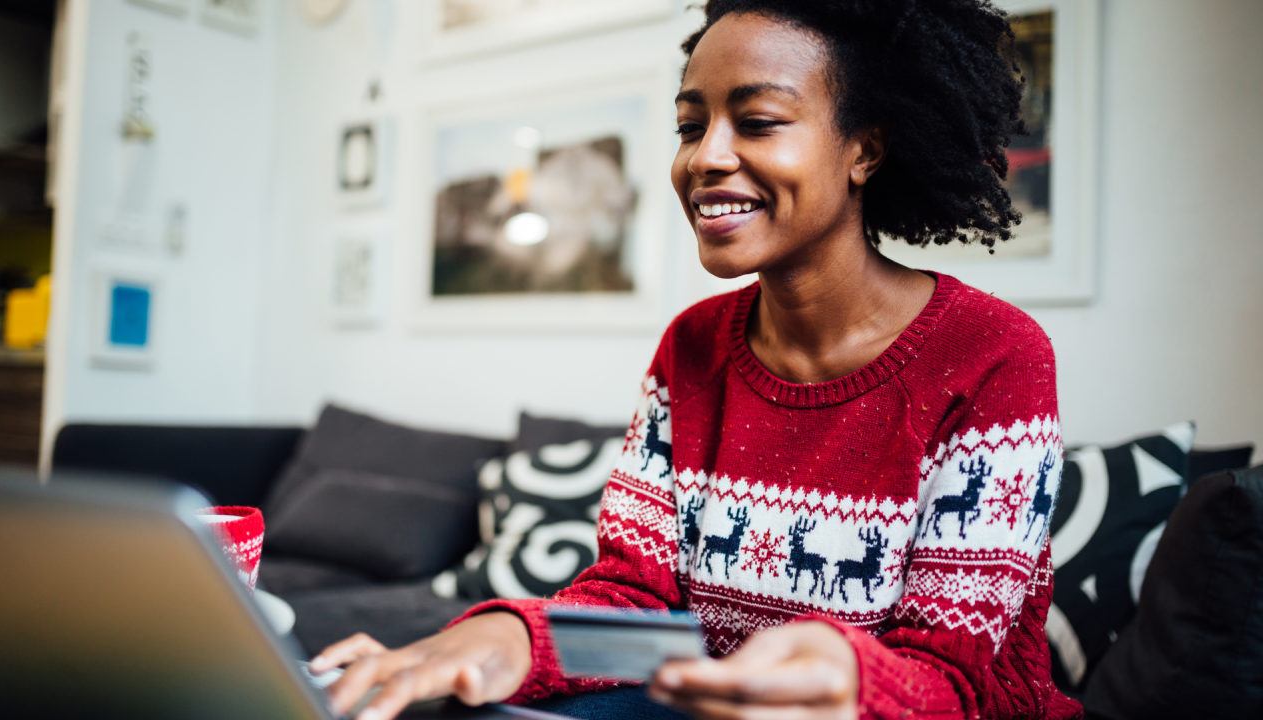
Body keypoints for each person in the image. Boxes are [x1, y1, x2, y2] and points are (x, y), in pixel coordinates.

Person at [310, 1, 1083, 718]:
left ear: (865, 150)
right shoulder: (694, 345)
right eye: (690, 126)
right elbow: (636, 604)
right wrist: (511, 641)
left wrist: (846, 674)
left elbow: (953, 678)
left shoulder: (993, 355)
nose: (707, 156)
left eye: (757, 121)